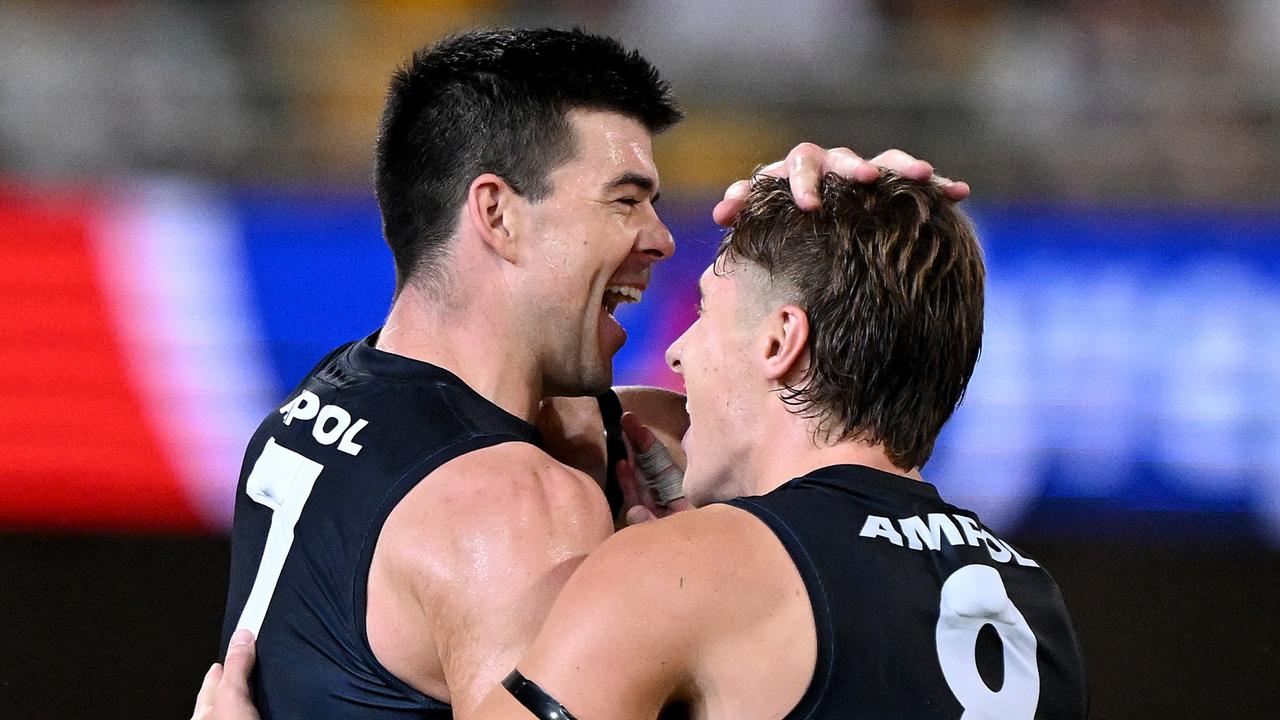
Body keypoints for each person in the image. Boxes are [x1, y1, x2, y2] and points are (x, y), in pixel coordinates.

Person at [212, 26, 965, 720]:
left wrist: (837, 245)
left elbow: (814, 448)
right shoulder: (518, 508)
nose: (663, 239)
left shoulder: (328, 396)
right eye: (625, 201)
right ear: (499, 215)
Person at [465, 172, 1090, 719]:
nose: (679, 351)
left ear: (778, 342)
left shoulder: (682, 570)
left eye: (705, 311)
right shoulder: (1037, 606)